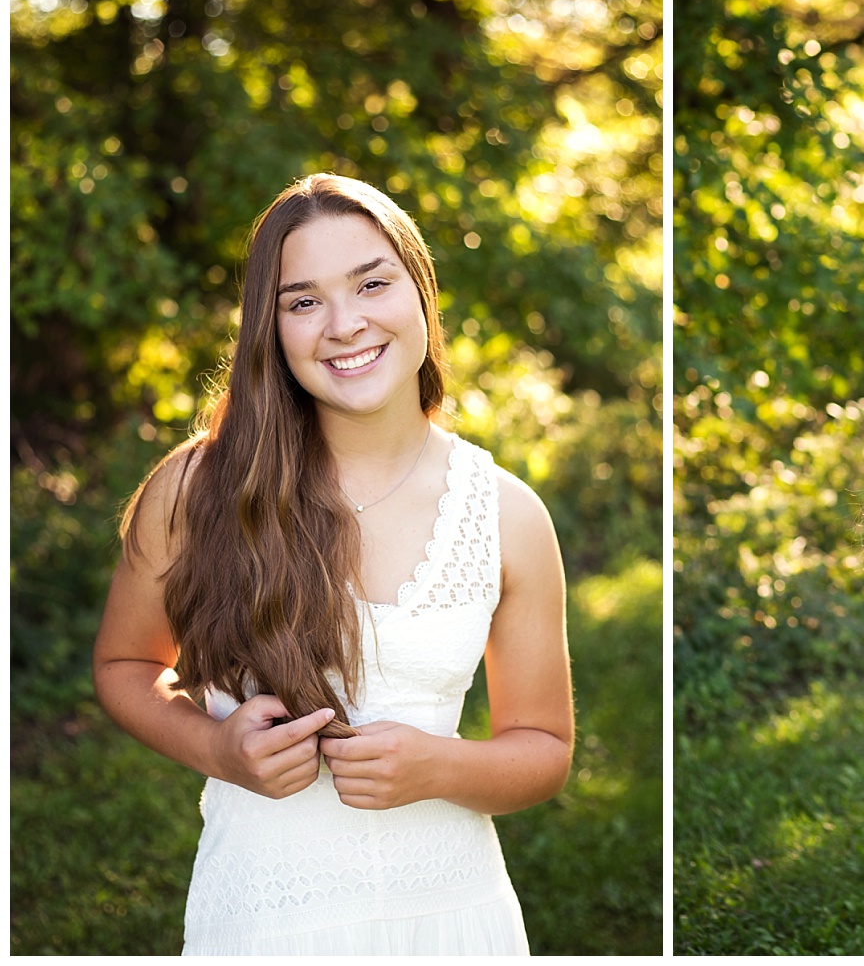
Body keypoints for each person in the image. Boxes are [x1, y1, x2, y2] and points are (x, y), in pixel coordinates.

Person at [93, 173, 573, 954]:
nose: (345, 324)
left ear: (419, 292)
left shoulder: (507, 513)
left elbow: (544, 750)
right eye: (304, 301)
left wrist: (438, 768)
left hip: (453, 920)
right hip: (262, 917)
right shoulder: (196, 488)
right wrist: (217, 750)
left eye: (372, 284)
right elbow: (122, 664)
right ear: (270, 328)